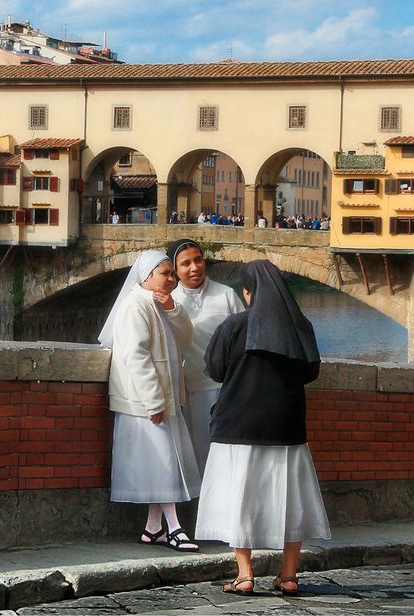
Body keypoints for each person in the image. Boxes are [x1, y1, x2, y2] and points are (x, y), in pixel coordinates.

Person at [195, 260, 331, 596]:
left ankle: (245, 574)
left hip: (237, 426)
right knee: (291, 501)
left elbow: (214, 369)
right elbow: (310, 372)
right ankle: (288, 575)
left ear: (247, 292)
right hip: (286, 427)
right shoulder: (301, 327)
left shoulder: (234, 326)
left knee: (240, 499)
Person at [98, 250, 202, 552]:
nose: (171, 279)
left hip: (163, 398)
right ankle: (174, 526)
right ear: (147, 277)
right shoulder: (134, 307)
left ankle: (153, 527)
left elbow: (185, 340)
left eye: (172, 274)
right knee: (164, 463)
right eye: (165, 273)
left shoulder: (159, 303)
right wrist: (153, 401)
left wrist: (173, 310)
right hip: (145, 402)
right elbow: (136, 356)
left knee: (165, 460)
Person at [166, 239, 244, 476]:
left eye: (198, 260)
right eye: (186, 263)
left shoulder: (227, 295)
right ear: (175, 269)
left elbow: (244, 339)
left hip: (226, 388)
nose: (194, 268)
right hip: (188, 390)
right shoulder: (169, 301)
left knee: (228, 454)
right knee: (197, 454)